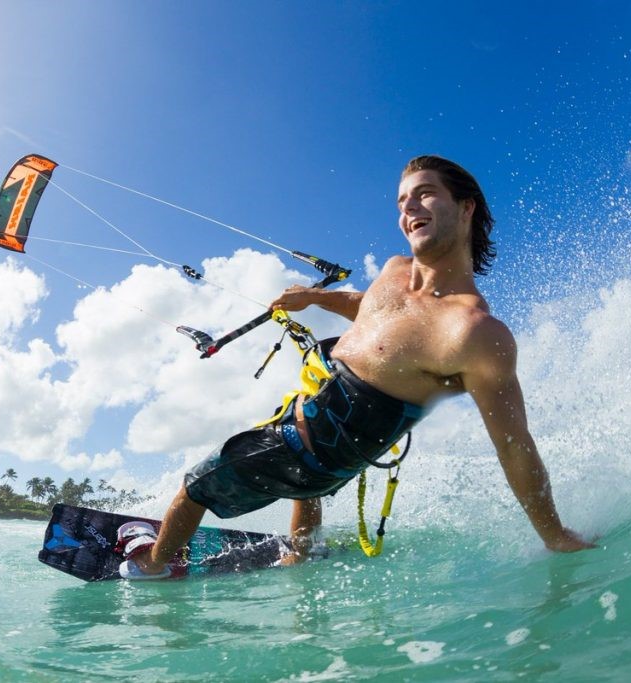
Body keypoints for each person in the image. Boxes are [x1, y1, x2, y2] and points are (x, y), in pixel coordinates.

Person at [117, 155, 594, 580]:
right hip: (315, 432)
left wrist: (552, 534)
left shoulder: (474, 332)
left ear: (466, 207)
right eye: (403, 201)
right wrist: (312, 297)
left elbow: (514, 446)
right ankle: (302, 555)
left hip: (314, 450)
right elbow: (369, 306)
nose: (410, 210)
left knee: (195, 484)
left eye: (426, 194)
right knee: (309, 450)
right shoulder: (393, 271)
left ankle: (156, 566)